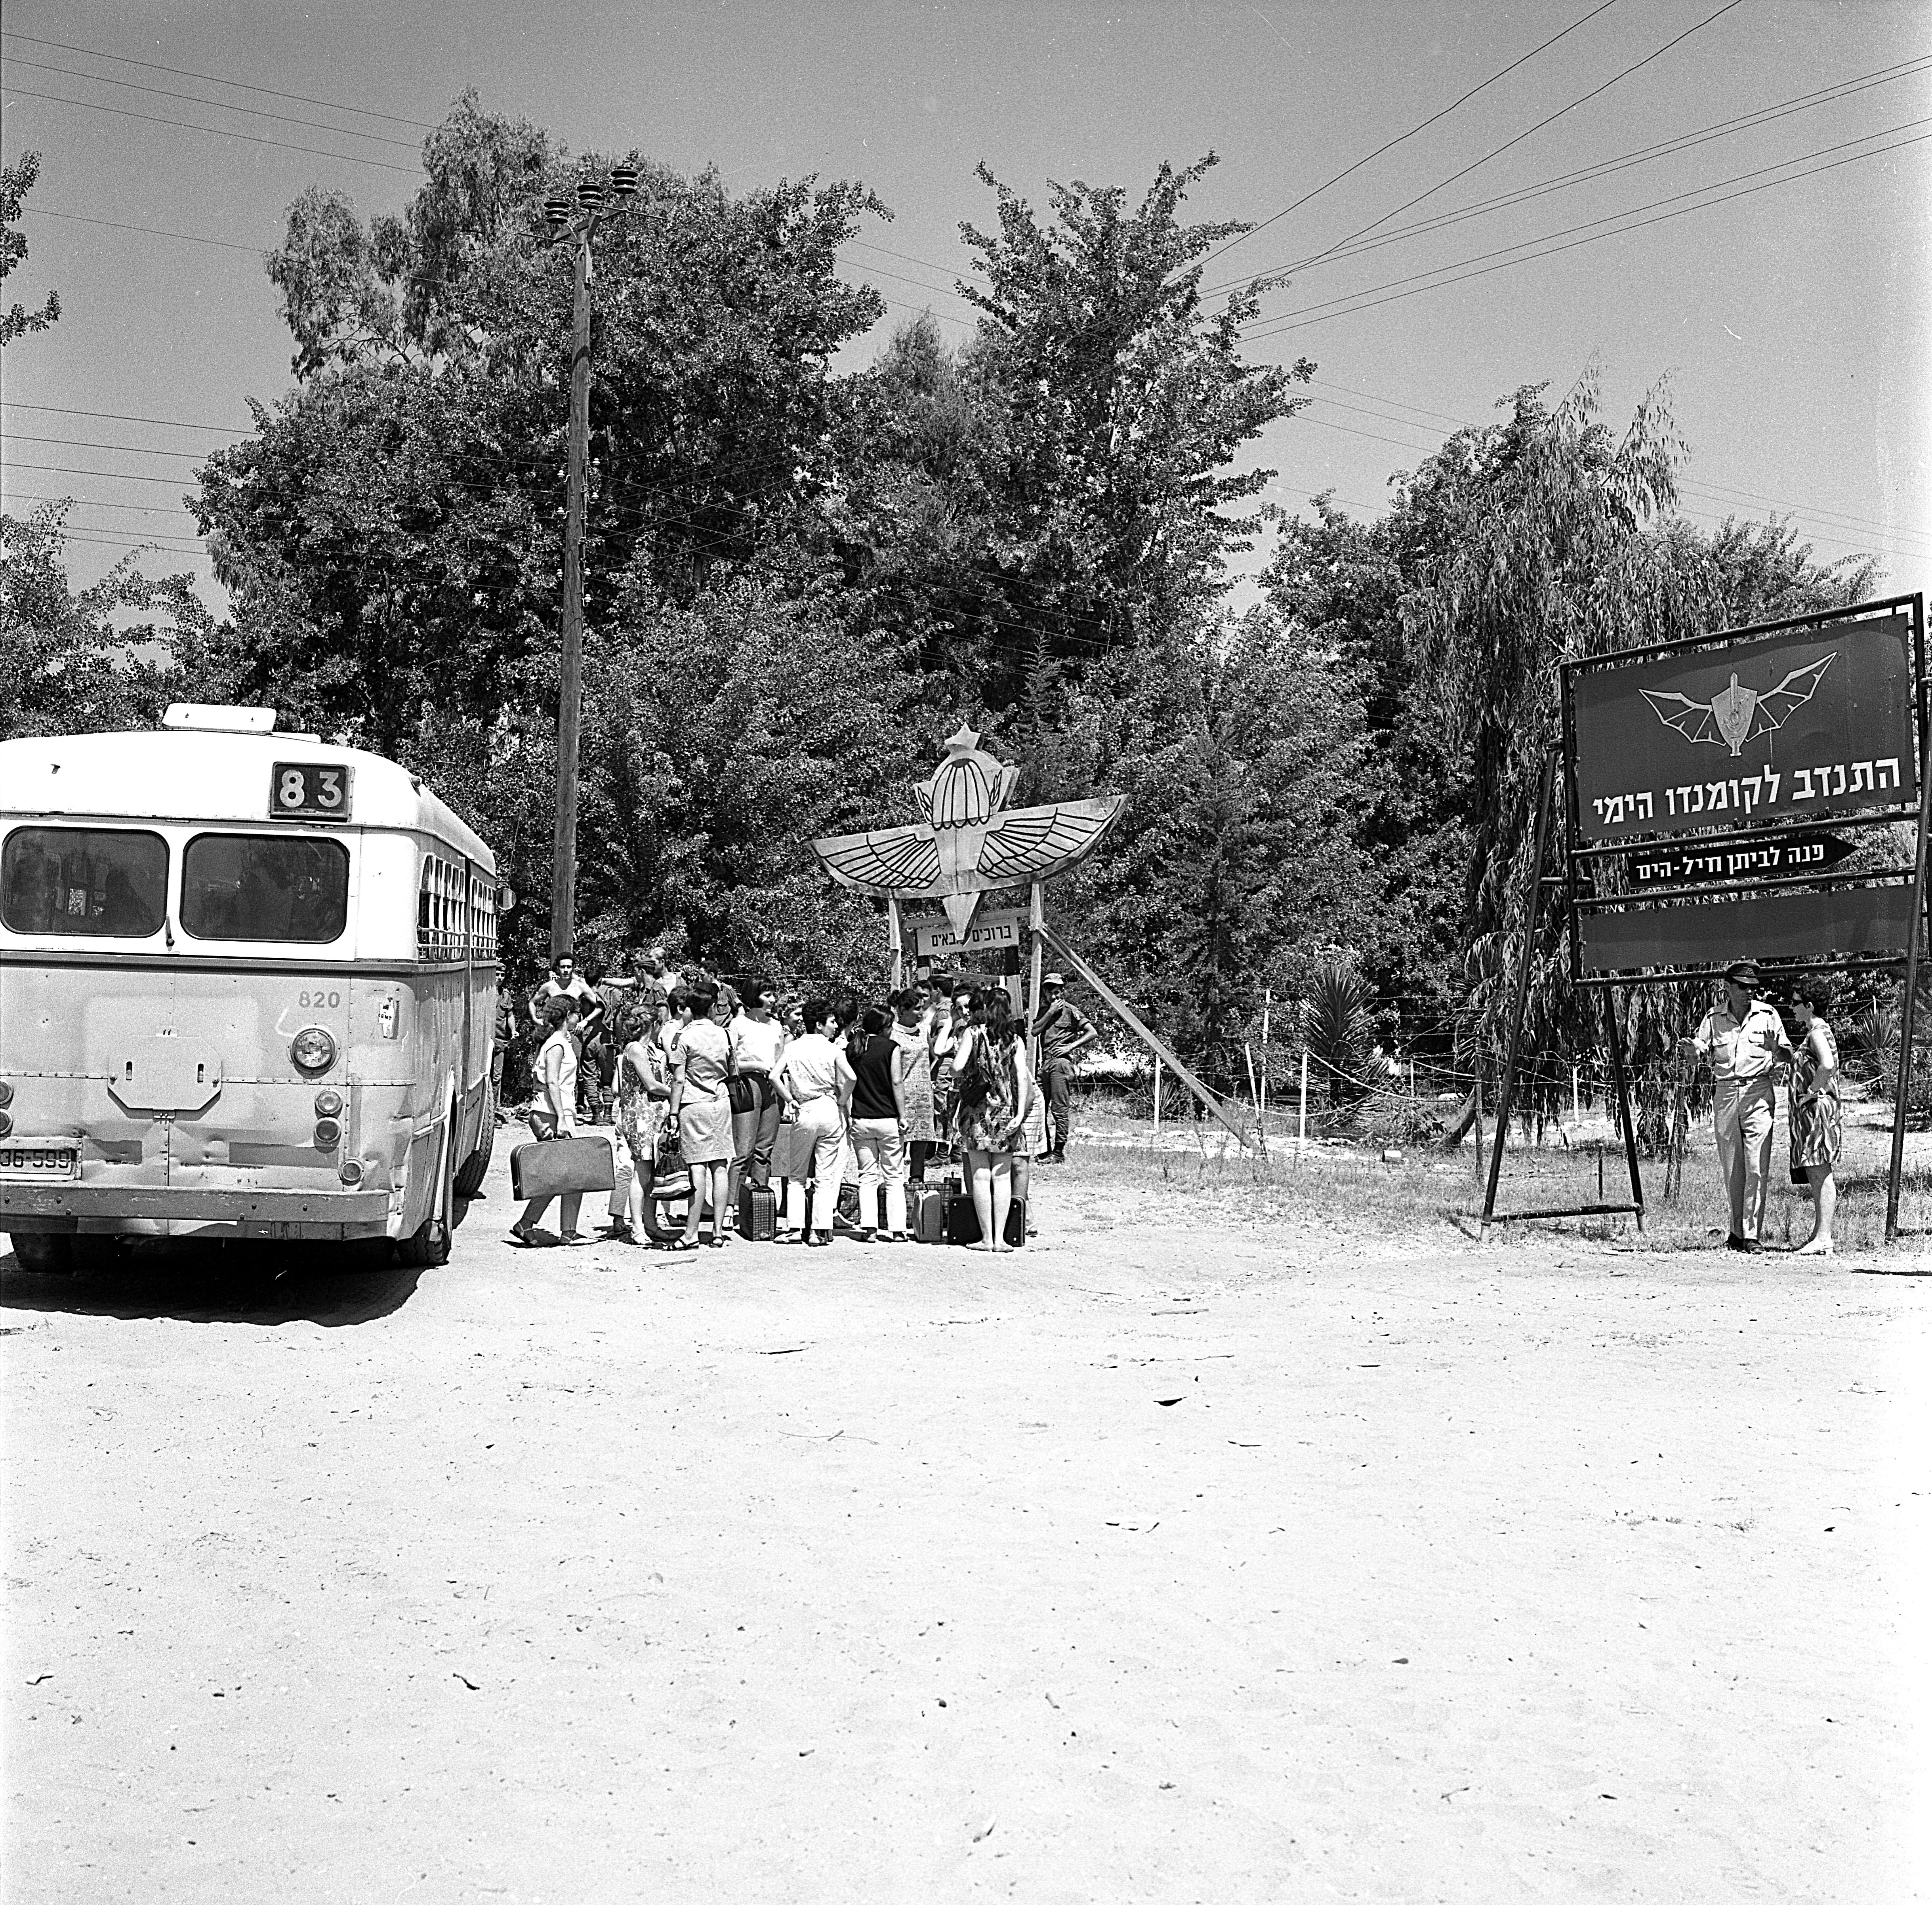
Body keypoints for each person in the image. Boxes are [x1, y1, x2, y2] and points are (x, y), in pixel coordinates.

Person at [1689, 959, 1791, 1253]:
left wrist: (1775, 1048)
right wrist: (1692, 1053)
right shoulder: (1713, 1018)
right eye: (1742, 987)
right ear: (1728, 987)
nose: (1749, 992)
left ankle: (1751, 1234)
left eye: (1752, 988)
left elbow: (1787, 1054)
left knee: (1756, 1164)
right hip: (1725, 1092)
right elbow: (1699, 1052)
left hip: (1758, 1090)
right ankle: (1736, 1232)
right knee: (1732, 1166)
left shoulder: (1767, 1015)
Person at [951, 986, 1036, 1253]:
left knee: (980, 1175)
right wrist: (1020, 1113)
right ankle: (1001, 1239)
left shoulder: (973, 1034)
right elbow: (1022, 1076)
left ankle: (986, 1238)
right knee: (1002, 1176)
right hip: (1007, 1111)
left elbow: (955, 1068)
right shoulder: (1014, 1040)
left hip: (977, 1111)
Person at [773, 999, 856, 1247]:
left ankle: (795, 1228)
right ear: (819, 1025)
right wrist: (842, 1100)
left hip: (804, 1109)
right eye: (831, 1022)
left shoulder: (794, 1048)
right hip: (830, 1108)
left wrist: (789, 1099)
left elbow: (774, 1076)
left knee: (797, 1175)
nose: (835, 1026)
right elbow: (851, 1077)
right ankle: (819, 1229)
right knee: (825, 1174)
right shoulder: (832, 1049)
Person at [509, 997, 589, 1247]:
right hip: (552, 1114)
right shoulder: (556, 1045)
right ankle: (529, 1225)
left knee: (568, 1176)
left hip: (555, 1112)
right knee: (562, 1176)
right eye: (576, 1013)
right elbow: (552, 1082)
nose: (579, 1018)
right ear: (568, 1016)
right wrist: (563, 1119)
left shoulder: (558, 1042)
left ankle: (567, 1230)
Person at [665, 981, 733, 1250]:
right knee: (720, 1167)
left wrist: (672, 1111)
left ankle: (691, 1232)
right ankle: (717, 1231)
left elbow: (678, 1080)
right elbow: (731, 1068)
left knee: (696, 1167)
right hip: (721, 1101)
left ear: (691, 1008)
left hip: (694, 1103)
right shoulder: (724, 1035)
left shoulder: (684, 1038)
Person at [1785, 975, 1842, 1256]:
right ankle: (1820, 1233)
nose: (1791, 1007)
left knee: (1820, 1171)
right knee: (1816, 1170)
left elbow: (1827, 1064)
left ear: (1809, 1005)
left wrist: (1810, 1091)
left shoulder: (1817, 1032)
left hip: (1817, 1112)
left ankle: (1824, 1236)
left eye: (1796, 1003)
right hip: (1815, 1113)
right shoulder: (1815, 1031)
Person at [849, 1005, 912, 1241]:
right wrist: (903, 1116)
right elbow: (897, 1083)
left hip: (861, 1119)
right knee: (894, 1175)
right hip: (888, 1119)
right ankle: (897, 1230)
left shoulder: (854, 1048)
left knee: (867, 1176)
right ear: (885, 1028)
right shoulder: (891, 1048)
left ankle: (870, 1228)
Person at [727, 978, 787, 1215]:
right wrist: (756, 1065)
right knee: (744, 1151)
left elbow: (782, 1061)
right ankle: (731, 1206)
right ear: (755, 997)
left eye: (773, 995)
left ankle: (759, 1205)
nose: (773, 1000)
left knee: (764, 1150)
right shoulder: (738, 1024)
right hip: (747, 1085)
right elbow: (730, 1063)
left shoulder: (776, 1027)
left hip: (772, 1088)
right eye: (767, 995)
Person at [1030, 971, 1097, 1163]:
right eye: (1050, 992)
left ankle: (1058, 1153)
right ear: (1044, 993)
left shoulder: (1070, 1011)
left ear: (1063, 992)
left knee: (1059, 1110)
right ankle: (1045, 1150)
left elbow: (1092, 1032)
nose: (1054, 996)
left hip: (1061, 1064)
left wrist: (1070, 1046)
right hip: (1045, 1064)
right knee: (1040, 1107)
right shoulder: (1044, 1011)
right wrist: (1050, 1012)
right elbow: (1035, 1031)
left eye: (1058, 992)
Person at [528, 952, 599, 1033]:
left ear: (573, 968)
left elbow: (600, 1006)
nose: (566, 970)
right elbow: (532, 1003)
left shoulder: (580, 987)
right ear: (558, 968)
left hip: (574, 1033)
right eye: (563, 967)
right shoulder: (549, 986)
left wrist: (586, 1021)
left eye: (569, 967)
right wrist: (535, 1019)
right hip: (553, 1033)